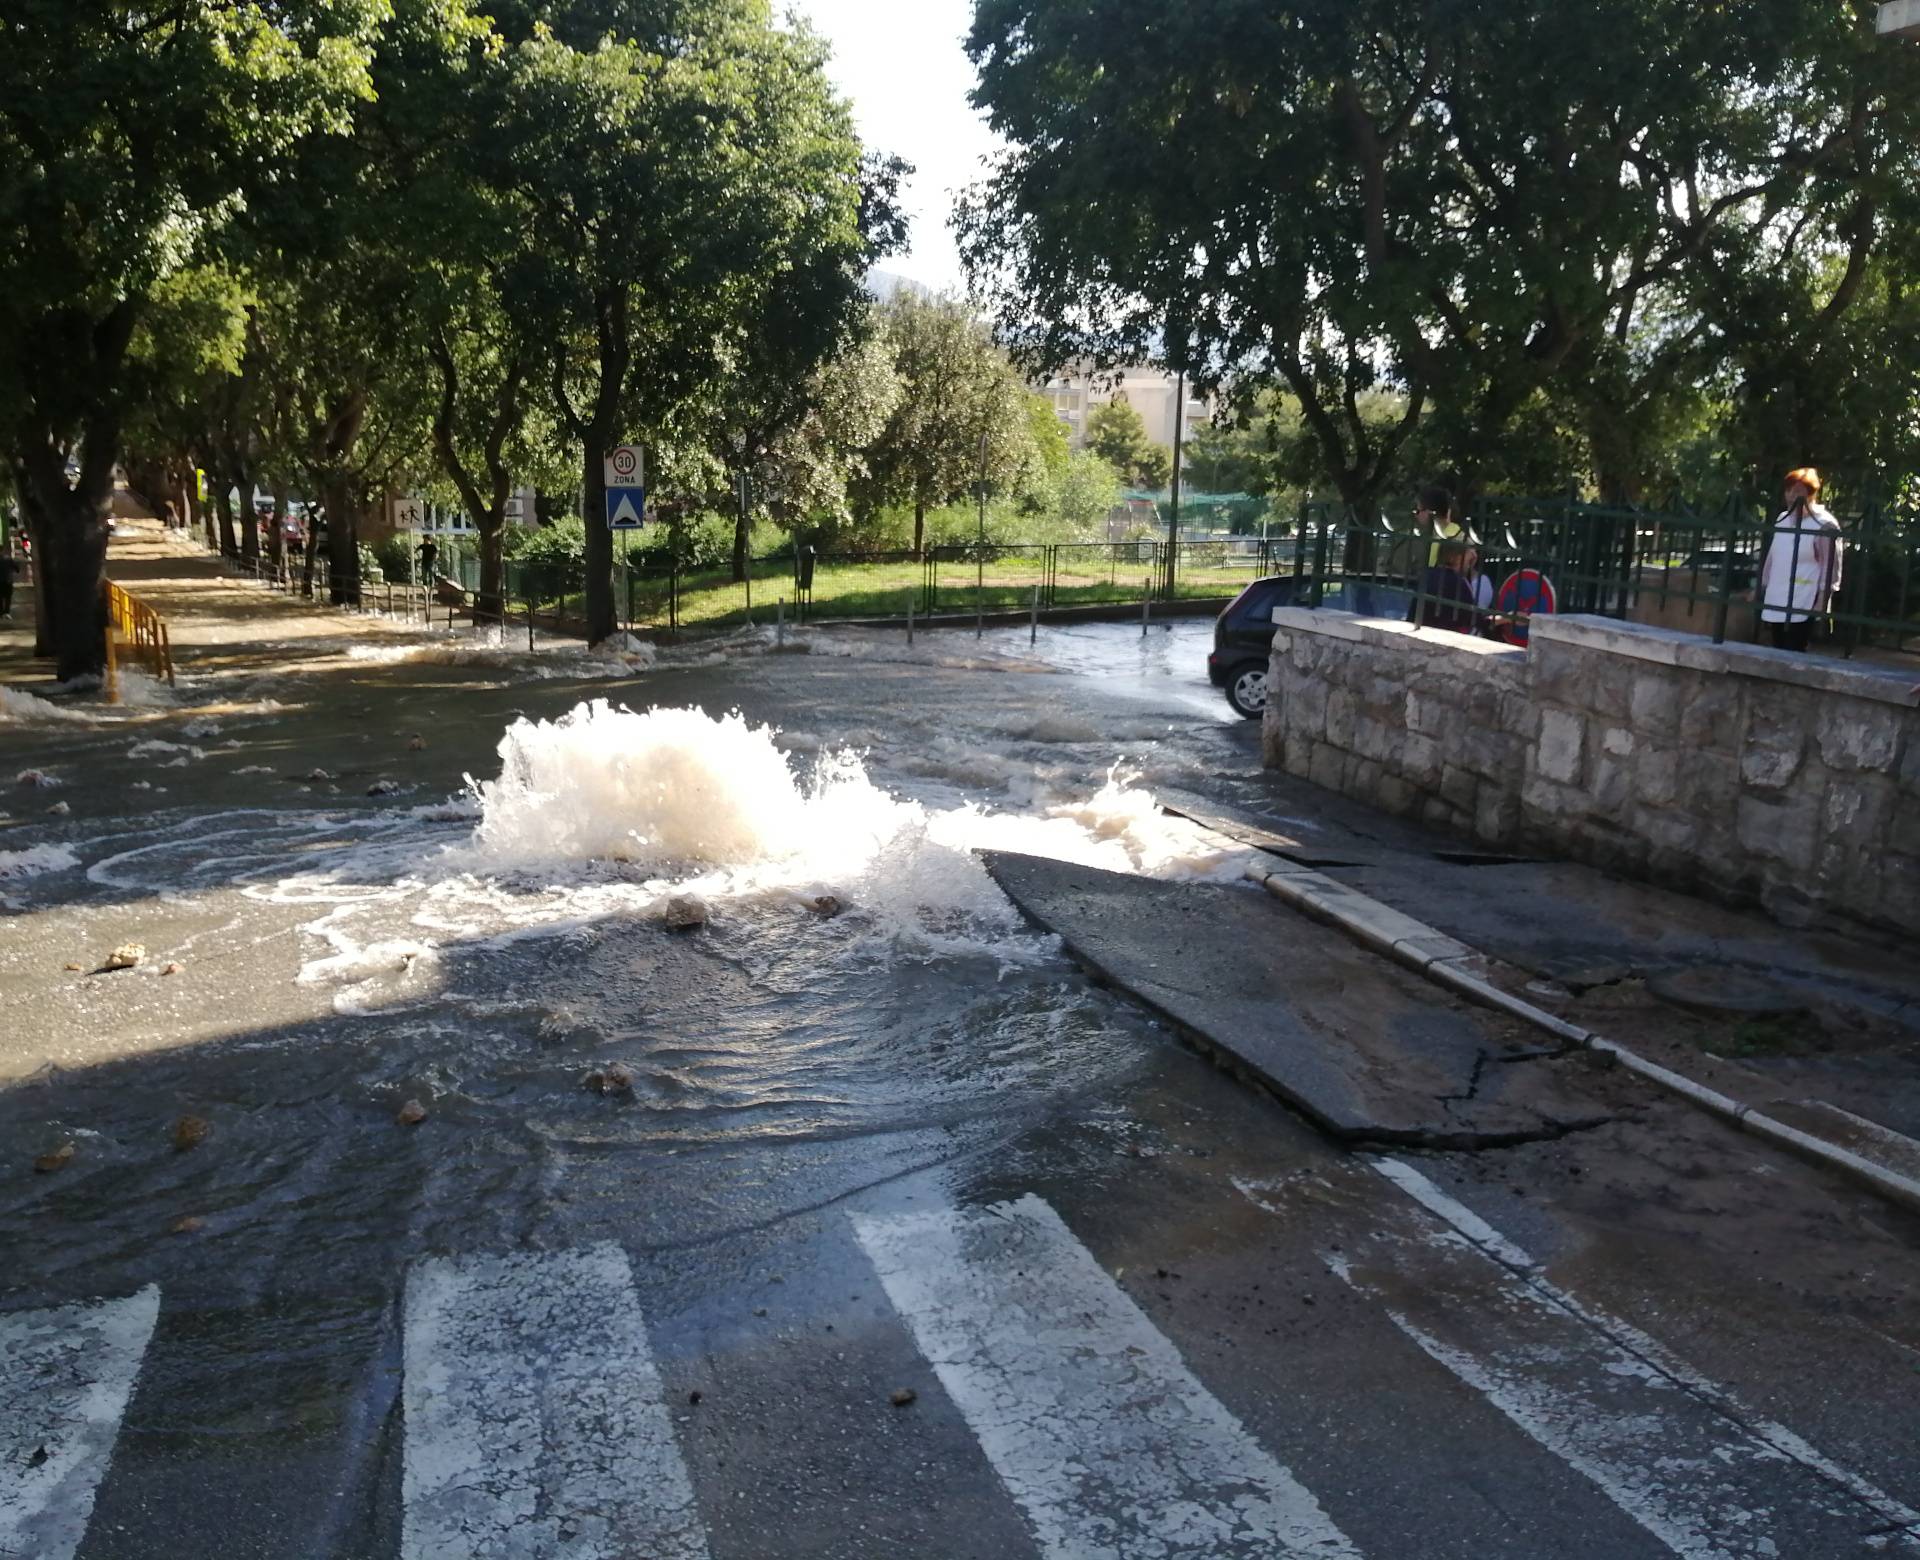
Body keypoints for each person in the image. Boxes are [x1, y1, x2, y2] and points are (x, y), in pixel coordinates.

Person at [1757, 467, 1842, 653]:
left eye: (1798, 492)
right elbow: (1774, 554)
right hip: (1778, 594)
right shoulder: (1782, 519)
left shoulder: (1824, 524)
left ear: (1811, 494)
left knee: (1795, 647)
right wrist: (1763, 585)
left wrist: (1823, 598)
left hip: (1805, 596)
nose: (1791, 496)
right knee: (1777, 645)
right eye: (1789, 490)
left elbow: (1831, 565)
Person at [1407, 539, 1478, 633]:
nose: (1472, 558)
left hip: (1418, 631)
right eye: (1469, 556)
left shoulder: (1427, 575)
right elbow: (1473, 619)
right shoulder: (1459, 583)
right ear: (1457, 557)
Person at [0, 545, 15, 619]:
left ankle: (1, 613)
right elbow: (17, 569)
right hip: (8, 581)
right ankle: (7, 612)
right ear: (2, 550)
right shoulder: (8, 559)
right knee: (8, 597)